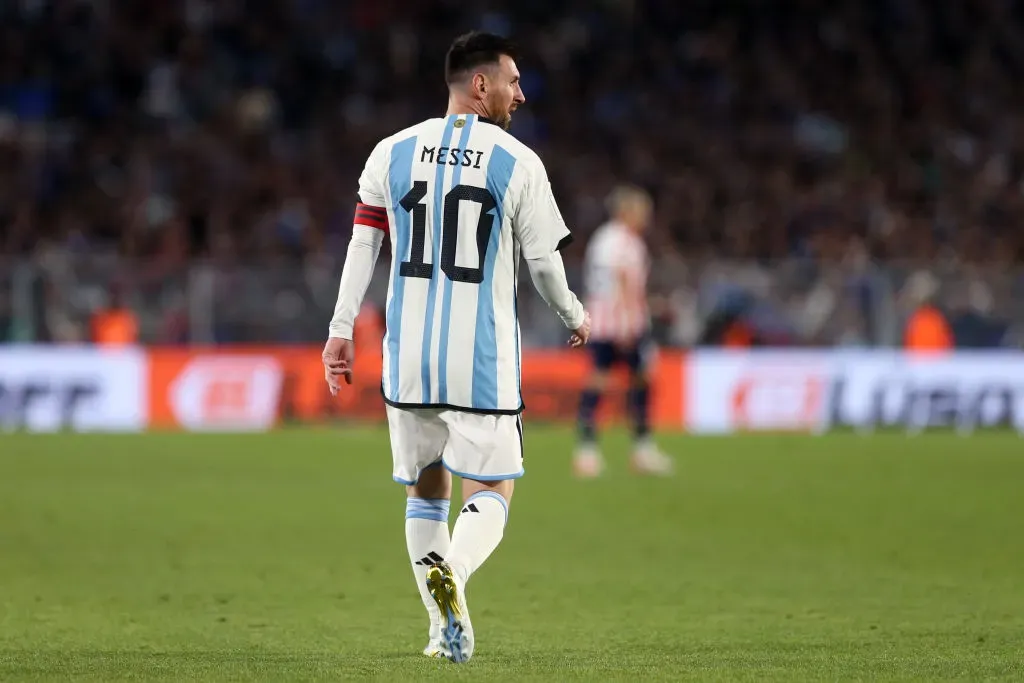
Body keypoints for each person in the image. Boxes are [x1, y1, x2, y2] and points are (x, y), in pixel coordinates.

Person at [321, 31, 591, 664]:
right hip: (480, 358)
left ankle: (446, 631)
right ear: (480, 86)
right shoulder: (518, 162)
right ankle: (456, 572)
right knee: (494, 486)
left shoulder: (390, 152)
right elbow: (545, 266)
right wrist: (575, 315)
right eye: (513, 82)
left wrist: (338, 331)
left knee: (425, 491)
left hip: (406, 354)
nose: (520, 95)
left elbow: (364, 245)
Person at [573, 185, 673, 477]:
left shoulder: (602, 239)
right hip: (622, 323)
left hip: (601, 320)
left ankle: (587, 451)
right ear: (626, 211)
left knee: (600, 379)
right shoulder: (625, 243)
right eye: (643, 211)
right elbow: (624, 283)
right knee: (638, 380)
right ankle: (641, 449)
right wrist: (630, 322)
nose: (646, 218)